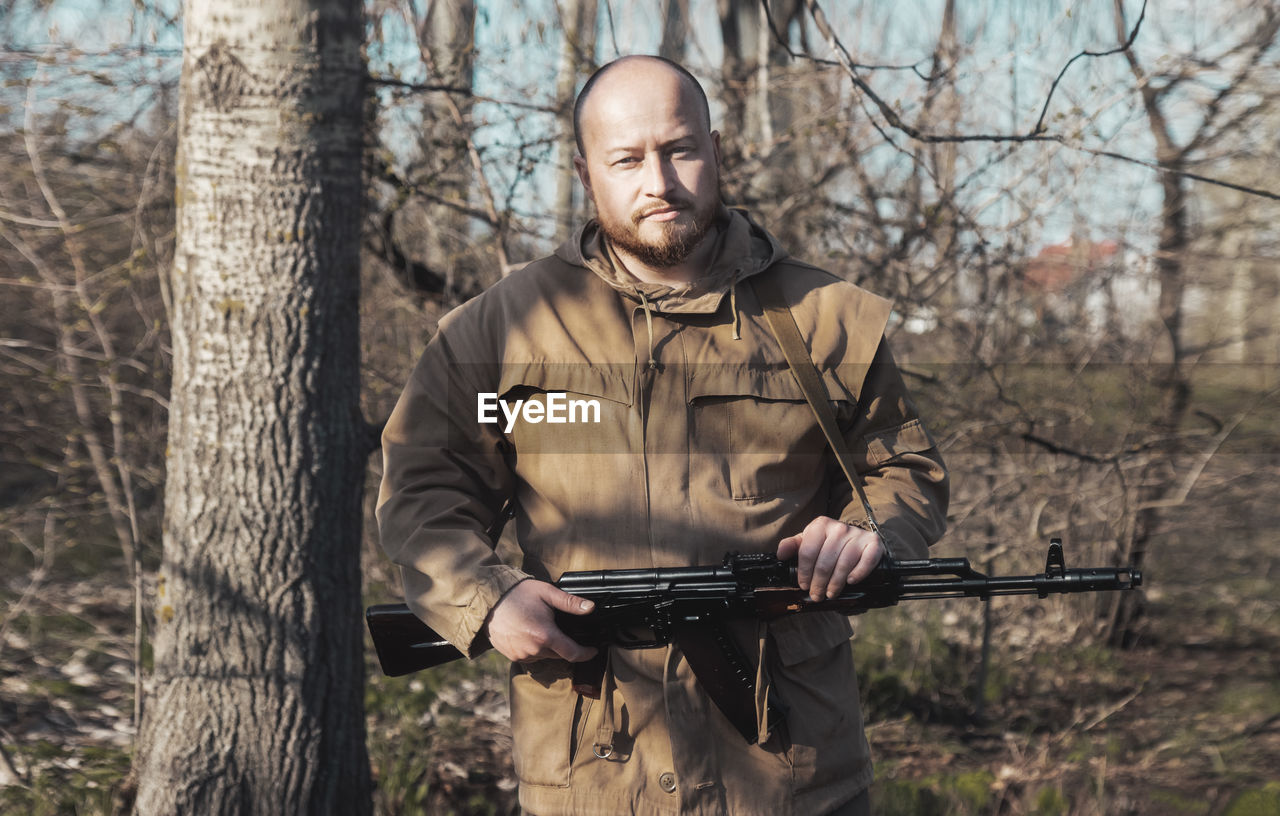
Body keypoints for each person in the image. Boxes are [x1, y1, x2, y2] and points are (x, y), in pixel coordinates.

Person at [377, 55, 948, 816]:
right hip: (595, 769)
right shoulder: (502, 328)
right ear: (586, 172)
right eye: (626, 159)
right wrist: (488, 598)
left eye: (680, 150)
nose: (660, 182)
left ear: (716, 150)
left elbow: (901, 466)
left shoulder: (826, 318)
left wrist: (868, 532)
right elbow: (423, 491)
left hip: (794, 768)